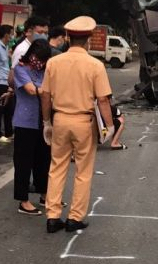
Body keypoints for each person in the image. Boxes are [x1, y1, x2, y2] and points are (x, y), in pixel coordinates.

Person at [40, 16, 114, 233]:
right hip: (84, 121)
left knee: (56, 168)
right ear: (88, 39)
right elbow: (103, 100)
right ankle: (75, 217)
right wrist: (109, 126)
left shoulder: (53, 62)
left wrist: (46, 121)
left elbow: (45, 95)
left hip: (60, 119)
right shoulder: (95, 65)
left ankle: (52, 216)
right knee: (83, 171)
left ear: (67, 38)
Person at [12, 39, 52, 216]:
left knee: (43, 160)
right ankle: (23, 200)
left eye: (44, 60)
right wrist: (47, 92)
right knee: (23, 162)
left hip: (42, 121)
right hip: (24, 122)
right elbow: (30, 89)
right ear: (32, 55)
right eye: (38, 58)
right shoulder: (22, 68)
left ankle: (45, 195)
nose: (40, 63)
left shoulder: (45, 70)